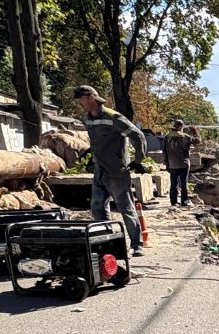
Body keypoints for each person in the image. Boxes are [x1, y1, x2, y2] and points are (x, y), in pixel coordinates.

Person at [73, 85, 149, 256]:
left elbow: (138, 135)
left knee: (125, 208)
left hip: (116, 171)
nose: (79, 104)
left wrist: (138, 160)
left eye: (81, 100)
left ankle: (137, 244)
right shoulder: (88, 118)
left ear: (91, 97)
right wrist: (91, 155)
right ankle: (108, 241)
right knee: (97, 207)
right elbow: (97, 140)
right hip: (100, 170)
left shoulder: (114, 117)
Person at [162, 118, 198, 207]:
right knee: (183, 183)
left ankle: (173, 202)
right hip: (184, 164)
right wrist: (195, 132)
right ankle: (184, 202)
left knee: (173, 184)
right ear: (181, 127)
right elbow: (197, 141)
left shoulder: (167, 137)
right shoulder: (185, 136)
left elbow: (164, 151)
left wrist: (167, 163)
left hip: (172, 164)